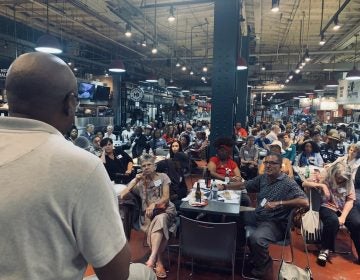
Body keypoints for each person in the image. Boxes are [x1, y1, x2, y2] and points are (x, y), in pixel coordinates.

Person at [1, 52, 155, 280]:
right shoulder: (80, 165)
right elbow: (116, 273)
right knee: (142, 272)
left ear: (8, 96)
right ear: (70, 103)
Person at [240, 153, 309, 278]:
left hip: (275, 222)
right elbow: (246, 185)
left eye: (272, 163)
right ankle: (249, 254)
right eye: (266, 162)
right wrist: (224, 186)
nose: (268, 165)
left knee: (257, 239)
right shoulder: (263, 178)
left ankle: (263, 268)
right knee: (236, 217)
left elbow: (305, 201)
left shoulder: (288, 183)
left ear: (280, 166)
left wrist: (280, 203)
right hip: (258, 216)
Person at [120, 154, 177, 279]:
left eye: (149, 165)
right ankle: (157, 261)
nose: (146, 167)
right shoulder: (140, 182)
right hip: (148, 215)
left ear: (154, 166)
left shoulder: (163, 177)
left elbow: (166, 198)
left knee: (161, 218)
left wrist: (153, 204)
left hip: (166, 210)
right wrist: (135, 180)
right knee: (158, 221)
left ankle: (153, 258)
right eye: (143, 166)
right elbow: (122, 195)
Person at [303, 163, 360, 266]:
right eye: (338, 178)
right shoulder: (324, 176)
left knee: (357, 223)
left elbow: (350, 201)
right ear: (333, 174)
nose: (340, 181)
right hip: (328, 205)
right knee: (332, 221)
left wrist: (343, 217)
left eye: (342, 179)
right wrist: (322, 185)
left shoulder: (348, 180)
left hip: (344, 205)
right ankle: (325, 249)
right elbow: (305, 184)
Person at [207, 137, 250, 206]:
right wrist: (226, 178)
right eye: (220, 150)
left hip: (231, 187)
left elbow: (238, 177)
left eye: (224, 151)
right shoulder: (214, 159)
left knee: (246, 199)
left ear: (228, 152)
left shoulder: (232, 163)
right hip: (218, 186)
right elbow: (210, 172)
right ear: (217, 151)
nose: (221, 152)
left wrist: (235, 179)